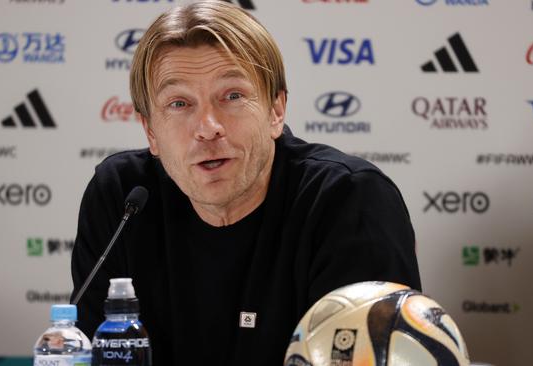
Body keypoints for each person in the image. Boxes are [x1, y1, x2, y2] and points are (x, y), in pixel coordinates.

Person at [70, 1, 420, 365]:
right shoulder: (121, 198)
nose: (207, 128)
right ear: (150, 131)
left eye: (232, 96)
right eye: (178, 103)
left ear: (276, 111)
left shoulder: (350, 201)